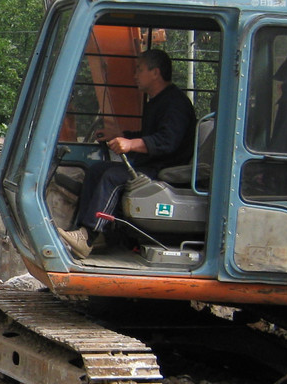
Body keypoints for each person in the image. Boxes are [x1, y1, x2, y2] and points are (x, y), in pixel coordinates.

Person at [57, 48, 196, 258]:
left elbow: (168, 142)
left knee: (112, 177)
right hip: (151, 163)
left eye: (139, 70)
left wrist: (131, 144)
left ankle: (88, 237)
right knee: (96, 170)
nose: (135, 75)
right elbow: (151, 135)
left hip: (164, 169)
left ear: (155, 73)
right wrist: (123, 135)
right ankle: (94, 233)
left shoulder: (175, 104)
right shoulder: (157, 101)